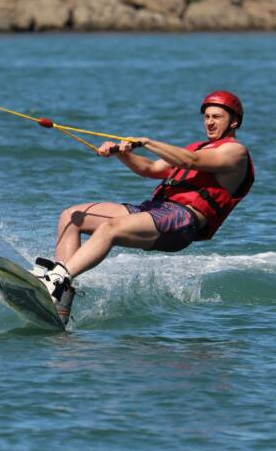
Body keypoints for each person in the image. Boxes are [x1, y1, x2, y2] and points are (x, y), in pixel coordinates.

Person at [33, 90, 255, 325]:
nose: (209, 122)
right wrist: (120, 153)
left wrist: (147, 142)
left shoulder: (235, 152)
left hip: (181, 221)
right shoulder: (196, 147)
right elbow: (149, 169)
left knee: (111, 228)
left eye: (217, 117)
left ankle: (57, 280)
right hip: (155, 210)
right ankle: (61, 298)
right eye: (207, 117)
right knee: (72, 216)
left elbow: (192, 162)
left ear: (234, 122)